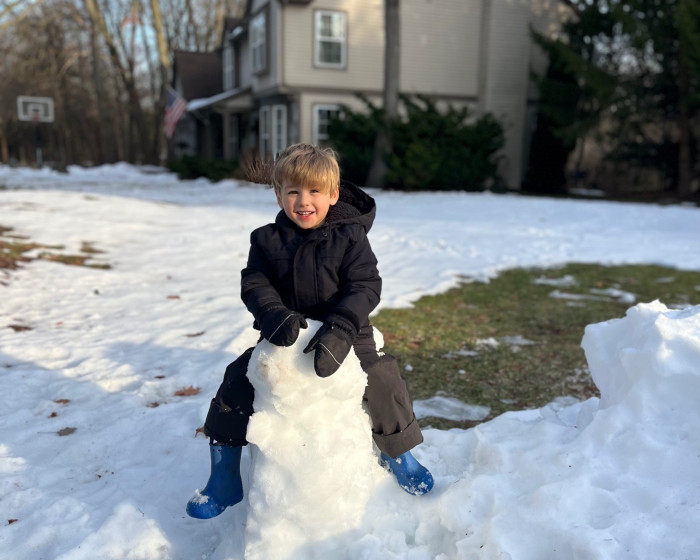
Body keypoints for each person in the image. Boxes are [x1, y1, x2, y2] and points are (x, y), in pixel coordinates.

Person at [186, 143, 433, 519]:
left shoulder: (350, 237)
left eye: (315, 191)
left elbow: (365, 285)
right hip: (286, 329)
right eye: (293, 191)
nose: (304, 201)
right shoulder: (266, 240)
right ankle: (224, 475)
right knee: (236, 380)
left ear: (333, 194)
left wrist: (343, 326)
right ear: (278, 194)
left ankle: (400, 453)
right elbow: (255, 283)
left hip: (347, 329)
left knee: (384, 378)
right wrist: (271, 313)